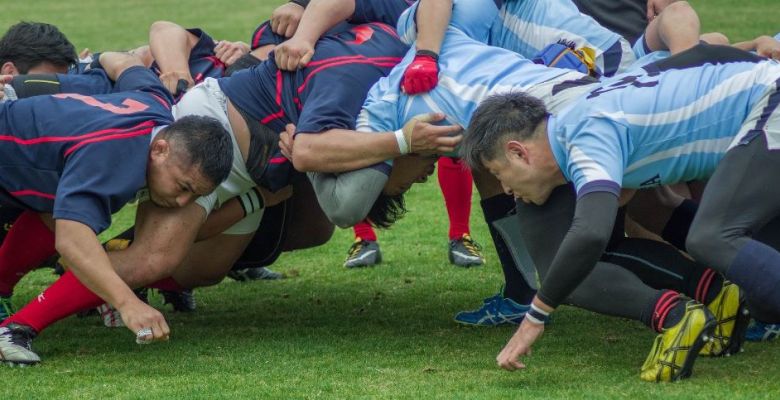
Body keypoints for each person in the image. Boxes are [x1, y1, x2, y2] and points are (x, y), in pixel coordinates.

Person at [460, 43, 780, 381]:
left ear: (518, 152)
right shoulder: (586, 117)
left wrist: (535, 316)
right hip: (764, 102)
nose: (506, 189)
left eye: (498, 173)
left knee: (713, 236)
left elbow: (590, 233)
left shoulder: (581, 132)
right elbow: (692, 58)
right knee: (764, 297)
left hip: (768, 101)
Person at [0, 52, 234, 364]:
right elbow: (72, 241)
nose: (181, 203)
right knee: (72, 224)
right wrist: (126, 302)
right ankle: (10, 333)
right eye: (183, 187)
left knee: (55, 208)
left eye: (193, 197)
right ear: (161, 149)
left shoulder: (155, 102)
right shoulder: (116, 156)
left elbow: (121, 61)